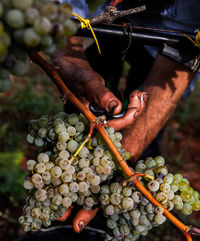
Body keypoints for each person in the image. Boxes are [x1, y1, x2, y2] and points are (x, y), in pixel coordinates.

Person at [53, 0, 200, 164]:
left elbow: (178, 63)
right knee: (82, 107)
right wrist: (72, 59)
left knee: (139, 148)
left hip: (173, 40)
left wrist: (124, 156)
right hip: (111, 25)